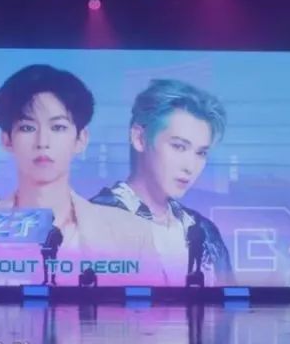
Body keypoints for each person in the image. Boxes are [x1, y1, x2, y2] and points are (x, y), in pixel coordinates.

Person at [0, 64, 165, 286]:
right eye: (27, 128)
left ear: (81, 139)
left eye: (58, 127)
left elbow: (153, 305)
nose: (42, 142)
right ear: (7, 140)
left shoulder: (131, 233)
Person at [90, 79, 234, 285]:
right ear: (139, 138)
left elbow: (228, 301)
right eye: (179, 146)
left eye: (201, 153)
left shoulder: (205, 232)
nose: (190, 166)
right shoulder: (92, 222)